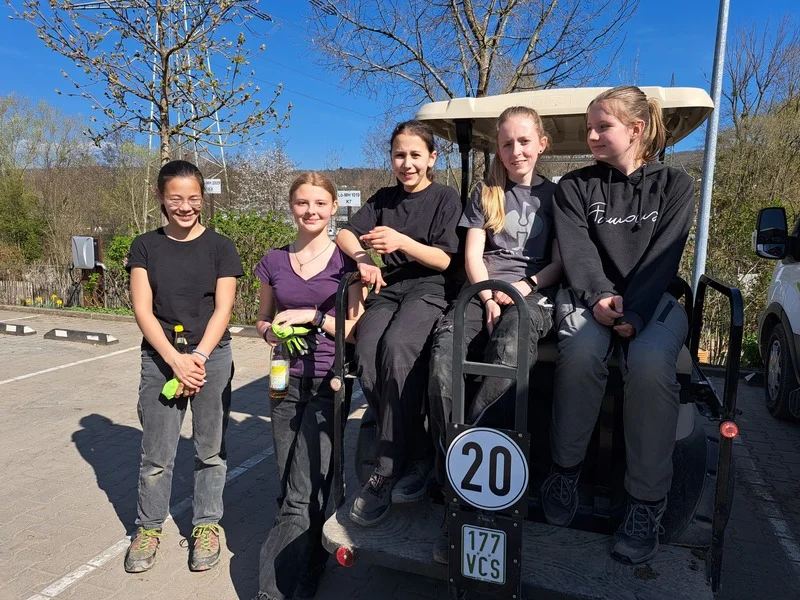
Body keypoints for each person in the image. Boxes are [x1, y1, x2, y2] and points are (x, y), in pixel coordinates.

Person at [542, 86, 695, 565]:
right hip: (590, 298)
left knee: (649, 364)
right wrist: (601, 298)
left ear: (637, 129)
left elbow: (662, 257)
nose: (590, 135)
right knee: (584, 352)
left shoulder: (676, 185)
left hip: (652, 300)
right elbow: (578, 252)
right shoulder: (575, 186)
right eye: (589, 127)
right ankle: (565, 472)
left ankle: (646, 502)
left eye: (601, 126)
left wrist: (633, 313)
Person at [427, 105, 561, 563]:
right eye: (507, 143)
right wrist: (486, 297)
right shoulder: (486, 194)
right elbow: (474, 254)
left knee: (507, 354)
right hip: (481, 291)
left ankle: (480, 473)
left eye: (524, 141)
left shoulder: (559, 197)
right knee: (444, 359)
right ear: (498, 149)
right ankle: (452, 472)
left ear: (541, 143)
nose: (516, 150)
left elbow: (559, 262)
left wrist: (520, 290)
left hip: (532, 294)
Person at [336, 120, 462, 526]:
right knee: (368, 353)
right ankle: (420, 452)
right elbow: (344, 232)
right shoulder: (382, 198)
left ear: (431, 158)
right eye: (399, 155)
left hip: (429, 288)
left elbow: (445, 259)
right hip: (388, 289)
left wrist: (402, 242)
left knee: (397, 350)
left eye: (414, 155)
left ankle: (387, 466)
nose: (406, 163)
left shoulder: (445, 198)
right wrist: (362, 260)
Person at [124, 160, 243, 573]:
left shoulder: (221, 246)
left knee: (211, 451)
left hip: (211, 355)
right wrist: (175, 360)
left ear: (203, 199)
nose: (185, 206)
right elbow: (142, 309)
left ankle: (207, 525)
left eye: (194, 198)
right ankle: (149, 527)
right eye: (176, 198)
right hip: (161, 357)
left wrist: (198, 358)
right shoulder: (145, 246)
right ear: (161, 197)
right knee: (157, 455)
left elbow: (224, 308)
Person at [254, 172, 366, 600]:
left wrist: (312, 317)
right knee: (290, 481)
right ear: (291, 206)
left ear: (334, 208)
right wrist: (270, 333)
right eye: (302, 203)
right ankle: (311, 559)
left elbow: (355, 330)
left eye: (320, 204)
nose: (310, 211)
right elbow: (261, 318)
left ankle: (275, 589)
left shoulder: (347, 264)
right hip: (283, 381)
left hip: (328, 380)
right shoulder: (273, 260)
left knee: (305, 488)